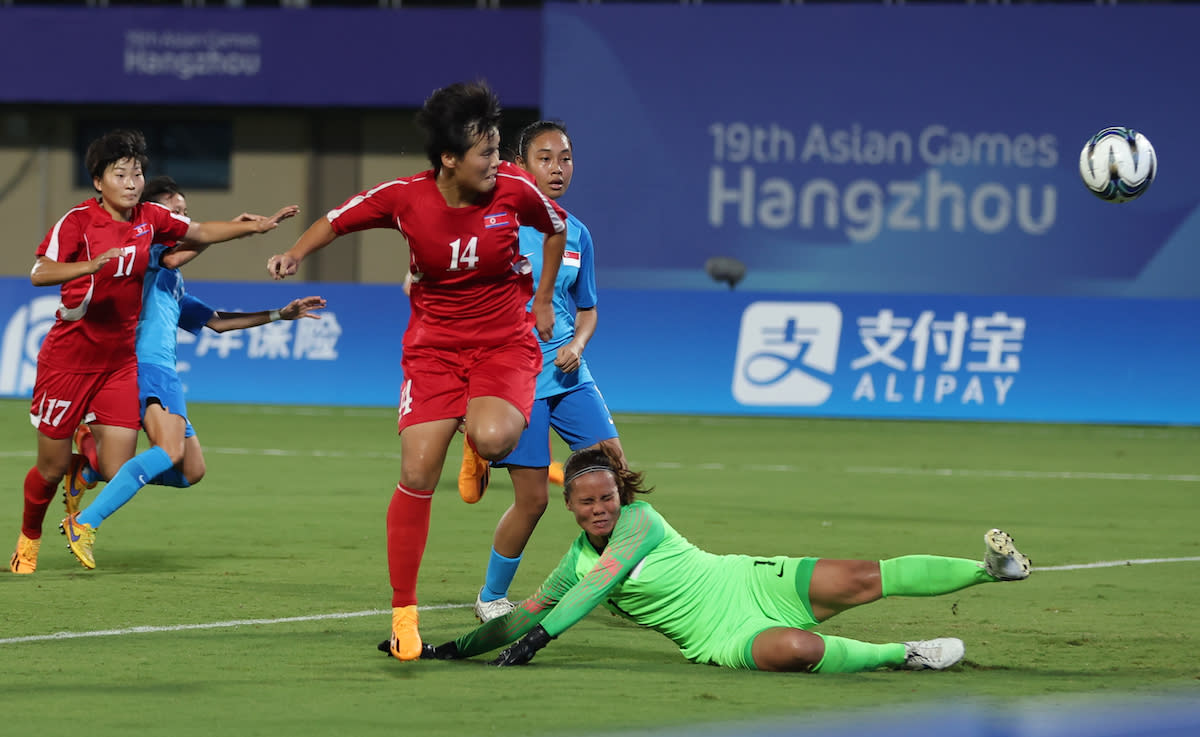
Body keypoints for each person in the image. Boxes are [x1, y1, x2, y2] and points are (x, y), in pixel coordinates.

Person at [266, 81, 568, 661]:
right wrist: (295, 254)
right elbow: (337, 219)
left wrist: (544, 296)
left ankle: (477, 438)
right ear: (449, 158)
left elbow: (555, 228)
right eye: (485, 151)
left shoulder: (515, 188)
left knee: (497, 434)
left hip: (503, 342)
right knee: (417, 469)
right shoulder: (405, 198)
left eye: (498, 147)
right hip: (433, 351)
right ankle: (404, 612)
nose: (496, 161)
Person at [405, 446, 1033, 672]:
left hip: (748, 578)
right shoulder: (573, 561)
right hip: (718, 634)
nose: (601, 509)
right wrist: (450, 649)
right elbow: (525, 613)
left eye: (608, 498)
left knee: (869, 577)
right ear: (569, 507)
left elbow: (594, 591)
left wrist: (541, 638)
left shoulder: (640, 524)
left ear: (621, 496)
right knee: (797, 653)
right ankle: (906, 656)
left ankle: (987, 569)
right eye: (587, 503)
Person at [9, 128, 297, 575]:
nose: (131, 182)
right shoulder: (77, 222)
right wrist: (88, 265)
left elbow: (198, 231)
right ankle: (30, 538)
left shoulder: (149, 219)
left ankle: (86, 467)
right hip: (68, 361)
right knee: (47, 470)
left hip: (120, 364)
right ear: (98, 182)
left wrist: (252, 229)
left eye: (137, 173)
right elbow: (39, 271)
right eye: (120, 173)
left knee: (116, 465)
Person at [59, 176, 327, 570]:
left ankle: (91, 468)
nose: (184, 219)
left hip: (163, 372)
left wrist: (278, 315)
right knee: (168, 450)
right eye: (175, 213)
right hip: (146, 366)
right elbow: (172, 254)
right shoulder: (145, 250)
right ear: (154, 217)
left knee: (189, 471)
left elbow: (215, 322)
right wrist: (233, 232)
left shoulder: (171, 280)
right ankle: (84, 522)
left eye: (186, 213)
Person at [464, 121, 625, 623]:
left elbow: (588, 308)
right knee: (532, 500)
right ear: (521, 163)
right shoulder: (496, 221)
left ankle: (618, 579)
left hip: (569, 373)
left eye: (566, 158)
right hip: (517, 382)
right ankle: (491, 596)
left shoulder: (577, 232)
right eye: (546, 158)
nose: (558, 168)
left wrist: (577, 343)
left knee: (615, 470)